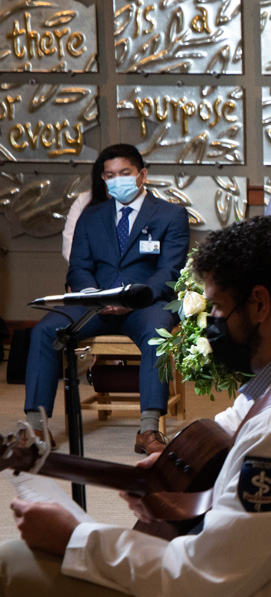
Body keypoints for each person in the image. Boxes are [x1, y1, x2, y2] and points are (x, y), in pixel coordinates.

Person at [1, 215, 271, 597]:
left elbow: (200, 581)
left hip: (258, 587)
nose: (212, 322)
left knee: (11, 561)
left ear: (261, 303)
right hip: (268, 565)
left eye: (217, 308)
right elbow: (238, 422)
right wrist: (173, 470)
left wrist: (74, 538)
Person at [24, 144, 190, 456]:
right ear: (103, 178)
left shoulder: (171, 215)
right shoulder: (91, 216)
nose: (117, 181)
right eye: (110, 176)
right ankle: (36, 426)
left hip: (145, 305)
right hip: (95, 304)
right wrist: (95, 298)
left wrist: (133, 299)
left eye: (124, 174)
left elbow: (170, 271)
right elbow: (79, 267)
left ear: (142, 175)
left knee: (158, 335)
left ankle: (149, 428)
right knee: (44, 331)